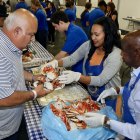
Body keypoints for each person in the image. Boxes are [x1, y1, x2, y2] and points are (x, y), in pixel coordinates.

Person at [47, 17, 122, 110]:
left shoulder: (116, 54)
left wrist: (77, 77)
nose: (93, 38)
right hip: (91, 94)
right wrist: (55, 63)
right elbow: (72, 59)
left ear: (108, 34)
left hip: (109, 100)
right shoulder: (89, 45)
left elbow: (101, 80)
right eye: (91, 34)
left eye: (96, 35)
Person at [78, 30, 140, 140]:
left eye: (124, 52)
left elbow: (137, 133)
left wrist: (105, 121)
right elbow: (131, 89)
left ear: (137, 53)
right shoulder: (136, 72)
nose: (121, 54)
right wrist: (115, 90)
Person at [0, 9, 51, 140]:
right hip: (4, 130)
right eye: (31, 34)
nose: (33, 40)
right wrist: (34, 93)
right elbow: (4, 98)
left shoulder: (9, 45)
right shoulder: (2, 55)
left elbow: (13, 70)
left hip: (12, 121)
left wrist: (33, 77)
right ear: (17, 31)